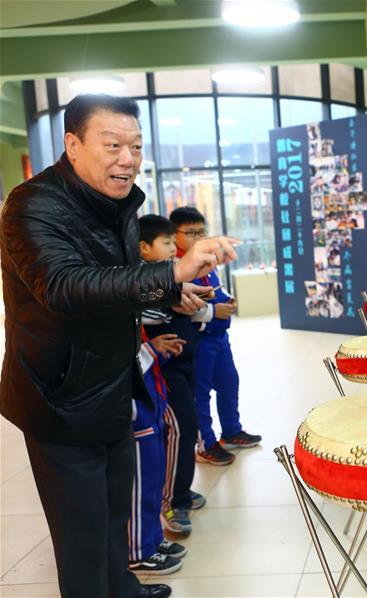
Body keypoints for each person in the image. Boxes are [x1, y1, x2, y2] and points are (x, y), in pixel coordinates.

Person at [0, 93, 238, 598]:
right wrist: (171, 269)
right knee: (81, 538)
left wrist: (173, 290)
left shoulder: (118, 202)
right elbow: (64, 287)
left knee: (113, 517)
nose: (127, 159)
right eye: (112, 145)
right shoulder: (31, 205)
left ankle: (124, 591)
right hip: (59, 396)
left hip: (111, 382)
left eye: (135, 145)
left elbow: (119, 279)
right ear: (73, 144)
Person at [170, 207, 262, 466]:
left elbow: (213, 292)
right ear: (175, 234)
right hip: (198, 340)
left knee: (229, 382)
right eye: (191, 232)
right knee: (200, 394)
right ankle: (206, 443)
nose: (198, 237)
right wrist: (213, 311)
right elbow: (179, 306)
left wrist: (225, 302)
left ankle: (232, 431)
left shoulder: (204, 259)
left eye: (202, 231)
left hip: (220, 338)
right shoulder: (176, 266)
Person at [139, 214, 207, 535]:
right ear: (142, 248)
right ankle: (171, 503)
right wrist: (171, 302)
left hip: (184, 363)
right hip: (163, 370)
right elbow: (142, 312)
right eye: (165, 242)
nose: (172, 248)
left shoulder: (165, 276)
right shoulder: (141, 280)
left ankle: (180, 490)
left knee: (187, 427)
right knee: (179, 429)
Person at [128, 327, 187, 575]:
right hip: (138, 417)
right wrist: (151, 349)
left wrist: (158, 350)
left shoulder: (132, 319)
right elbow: (126, 368)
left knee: (154, 482)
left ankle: (153, 538)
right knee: (141, 488)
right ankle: (139, 552)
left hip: (151, 411)